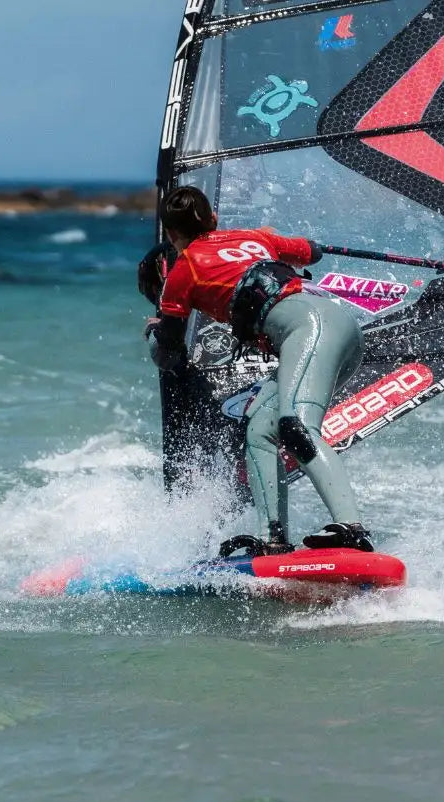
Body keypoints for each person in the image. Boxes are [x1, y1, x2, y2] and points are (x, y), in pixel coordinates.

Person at [150, 185, 372, 554]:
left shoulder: (183, 269)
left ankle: (351, 528)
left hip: (310, 331)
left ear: (171, 235)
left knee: (296, 427)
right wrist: (296, 244)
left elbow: (170, 348)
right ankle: (274, 541)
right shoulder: (254, 237)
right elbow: (310, 252)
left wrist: (154, 334)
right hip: (339, 329)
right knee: (260, 432)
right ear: (214, 219)